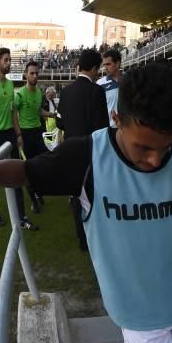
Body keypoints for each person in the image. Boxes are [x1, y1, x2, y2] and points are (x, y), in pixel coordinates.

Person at [0, 64, 172, 343]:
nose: (155, 161)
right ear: (117, 119)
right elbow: (27, 171)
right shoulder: (87, 157)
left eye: (166, 146)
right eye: (144, 148)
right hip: (140, 317)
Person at [0, 48, 38, 231]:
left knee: (16, 174)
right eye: (5, 60)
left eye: (10, 60)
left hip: (9, 135)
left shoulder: (11, 85)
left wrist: (18, 134)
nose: (8, 63)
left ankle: (22, 216)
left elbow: (13, 113)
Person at [59, 49, 110, 250]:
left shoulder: (66, 91)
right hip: (91, 153)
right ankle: (93, 237)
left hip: (71, 152)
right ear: (95, 68)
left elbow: (60, 123)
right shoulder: (96, 91)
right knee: (93, 196)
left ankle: (82, 239)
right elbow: (102, 128)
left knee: (76, 196)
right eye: (99, 69)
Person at [15, 61, 56, 212]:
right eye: (31, 73)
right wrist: (18, 134)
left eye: (36, 73)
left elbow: (39, 111)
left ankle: (38, 193)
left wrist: (52, 114)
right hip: (25, 135)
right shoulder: (19, 94)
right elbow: (13, 114)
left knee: (43, 165)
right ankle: (34, 199)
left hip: (37, 133)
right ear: (26, 75)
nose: (35, 75)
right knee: (28, 169)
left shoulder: (39, 92)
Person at [98, 49, 122, 128]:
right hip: (108, 130)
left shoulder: (130, 81)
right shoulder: (99, 84)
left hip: (127, 131)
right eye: (104, 65)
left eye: (108, 64)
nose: (105, 67)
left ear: (117, 64)